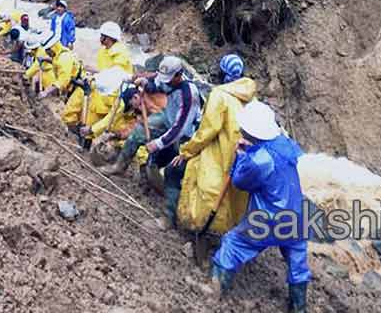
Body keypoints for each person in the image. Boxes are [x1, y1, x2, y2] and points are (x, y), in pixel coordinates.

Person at [205, 100, 310, 310]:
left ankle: (214, 293)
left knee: (233, 243)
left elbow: (240, 182)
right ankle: (299, 307)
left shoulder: (259, 160)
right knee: (297, 260)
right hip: (298, 216)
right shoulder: (284, 142)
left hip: (269, 218)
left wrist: (242, 156)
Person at [104, 55, 202, 230]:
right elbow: (156, 84)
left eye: (169, 80)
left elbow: (180, 128)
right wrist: (143, 82)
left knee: (172, 171)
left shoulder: (189, 95)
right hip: (168, 119)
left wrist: (158, 143)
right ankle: (119, 166)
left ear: (179, 75)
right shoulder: (169, 79)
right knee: (138, 132)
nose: (165, 83)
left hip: (186, 136)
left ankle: (168, 218)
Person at [173, 54, 254, 235]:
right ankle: (228, 234)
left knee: (204, 188)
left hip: (221, 152)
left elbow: (207, 131)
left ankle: (199, 228)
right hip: (244, 156)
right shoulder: (251, 97)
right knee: (235, 197)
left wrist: (186, 151)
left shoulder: (220, 95)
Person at [60, 21, 133, 135]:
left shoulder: (120, 54)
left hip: (111, 94)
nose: (100, 39)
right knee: (83, 115)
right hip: (99, 89)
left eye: (102, 36)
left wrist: (95, 73)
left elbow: (116, 75)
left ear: (108, 38)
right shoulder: (104, 51)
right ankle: (77, 135)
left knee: (101, 124)